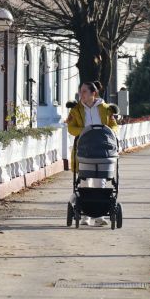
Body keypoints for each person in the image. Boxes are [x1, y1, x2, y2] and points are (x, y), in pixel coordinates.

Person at [66, 81, 119, 226]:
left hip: (102, 152)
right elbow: (71, 128)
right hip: (84, 151)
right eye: (80, 91)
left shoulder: (106, 109)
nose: (81, 94)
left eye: (84, 91)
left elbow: (114, 125)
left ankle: (99, 216)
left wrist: (109, 132)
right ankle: (86, 216)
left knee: (100, 181)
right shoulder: (76, 110)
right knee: (84, 182)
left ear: (93, 93)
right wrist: (84, 131)